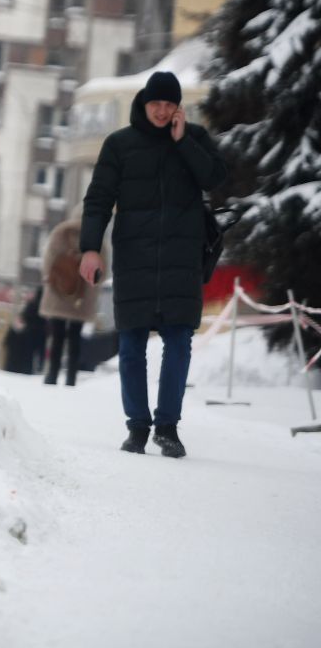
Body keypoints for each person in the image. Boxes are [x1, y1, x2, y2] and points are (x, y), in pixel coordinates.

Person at [79, 71, 227, 458]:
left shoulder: (194, 140)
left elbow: (215, 178)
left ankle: (168, 426)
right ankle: (137, 427)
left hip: (182, 260)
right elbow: (97, 200)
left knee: (179, 342)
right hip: (134, 258)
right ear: (143, 104)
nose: (161, 111)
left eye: (169, 104)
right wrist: (90, 249)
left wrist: (182, 143)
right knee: (131, 344)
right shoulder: (119, 145)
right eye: (155, 104)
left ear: (178, 108)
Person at [39, 217, 98, 386]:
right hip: (81, 296)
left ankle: (52, 375)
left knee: (56, 337)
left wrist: (51, 283)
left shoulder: (60, 232)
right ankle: (71, 377)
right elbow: (101, 271)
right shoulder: (96, 236)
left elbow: (48, 261)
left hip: (58, 294)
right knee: (75, 338)